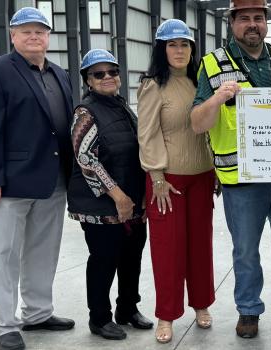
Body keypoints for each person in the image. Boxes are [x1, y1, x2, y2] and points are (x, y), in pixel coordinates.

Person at [189, 0, 271, 339]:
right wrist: (218, 98)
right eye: (245, 18)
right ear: (232, 22)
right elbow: (197, 124)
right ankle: (248, 309)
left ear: (266, 23)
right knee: (246, 249)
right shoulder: (212, 64)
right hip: (242, 179)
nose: (253, 25)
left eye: (259, 18)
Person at [0, 7, 76, 350]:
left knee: (43, 251)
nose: (34, 36)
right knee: (4, 254)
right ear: (13, 36)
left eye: (40, 31)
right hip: (12, 183)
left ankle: (38, 313)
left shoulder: (60, 74)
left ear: (48, 37)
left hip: (53, 181)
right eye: (26, 31)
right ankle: (6, 325)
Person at [137, 19, 216, 344]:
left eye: (185, 44)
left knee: (201, 246)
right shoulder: (154, 85)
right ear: (161, 49)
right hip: (166, 182)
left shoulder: (203, 81)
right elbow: (147, 133)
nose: (180, 50)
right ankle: (166, 315)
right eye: (172, 44)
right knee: (168, 251)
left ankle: (201, 305)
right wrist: (156, 176)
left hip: (202, 177)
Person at [67, 49, 151, 341]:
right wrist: (118, 196)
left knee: (132, 256)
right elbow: (85, 158)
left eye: (112, 72)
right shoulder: (85, 111)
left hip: (132, 196)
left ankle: (127, 309)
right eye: (98, 74)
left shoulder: (121, 106)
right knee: (104, 259)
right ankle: (99, 318)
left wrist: (140, 193)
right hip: (101, 204)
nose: (107, 78)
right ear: (88, 80)